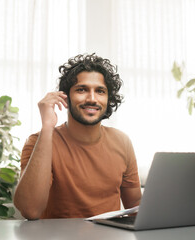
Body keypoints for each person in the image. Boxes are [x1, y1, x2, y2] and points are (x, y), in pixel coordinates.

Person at [13, 53, 141, 219]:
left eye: (100, 91)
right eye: (82, 90)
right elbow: (30, 210)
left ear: (108, 99)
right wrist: (47, 127)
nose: (92, 99)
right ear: (65, 97)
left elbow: (135, 208)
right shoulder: (39, 141)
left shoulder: (122, 142)